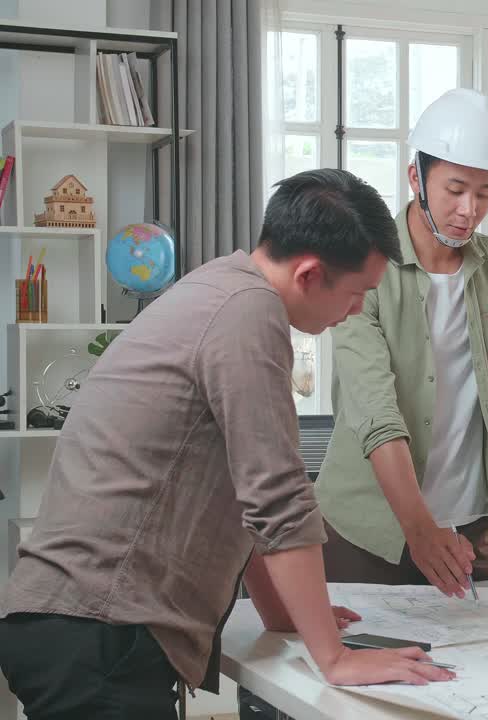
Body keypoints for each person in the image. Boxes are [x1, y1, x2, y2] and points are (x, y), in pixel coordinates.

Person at [0, 169, 454, 720]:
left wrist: (282, 614)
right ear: (310, 274)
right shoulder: (249, 314)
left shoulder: (219, 286)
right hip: (101, 631)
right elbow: (279, 496)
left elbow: (245, 494)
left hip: (77, 625)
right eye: (357, 293)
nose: (356, 311)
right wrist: (333, 659)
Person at [315, 88, 488, 596]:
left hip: (467, 533)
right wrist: (418, 528)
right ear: (416, 176)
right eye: (455, 189)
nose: (469, 209)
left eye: (484, 193)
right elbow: (375, 414)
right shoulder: (364, 266)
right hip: (366, 534)